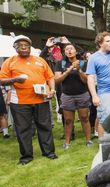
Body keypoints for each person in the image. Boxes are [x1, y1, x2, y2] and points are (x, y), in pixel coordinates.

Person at [0, 35, 57, 165]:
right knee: (23, 129)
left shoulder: (40, 60)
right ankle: (26, 156)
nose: (24, 48)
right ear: (15, 48)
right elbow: (2, 80)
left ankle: (49, 152)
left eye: (27, 45)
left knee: (45, 126)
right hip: (20, 102)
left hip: (41, 99)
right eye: (21, 46)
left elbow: (50, 77)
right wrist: (15, 79)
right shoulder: (9, 62)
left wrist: (52, 90)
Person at [54, 43, 93, 149]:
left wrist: (79, 69)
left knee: (85, 118)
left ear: (76, 51)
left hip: (82, 94)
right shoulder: (60, 63)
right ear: (64, 52)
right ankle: (67, 142)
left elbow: (86, 81)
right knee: (68, 120)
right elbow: (57, 80)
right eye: (67, 49)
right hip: (67, 95)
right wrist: (69, 70)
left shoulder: (83, 63)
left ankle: (88, 140)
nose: (69, 50)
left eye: (71, 49)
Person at [83, 51, 98, 138]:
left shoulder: (96, 63)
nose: (89, 57)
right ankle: (92, 126)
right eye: (87, 56)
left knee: (98, 108)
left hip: (99, 86)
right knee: (92, 108)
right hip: (90, 88)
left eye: (90, 55)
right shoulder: (85, 66)